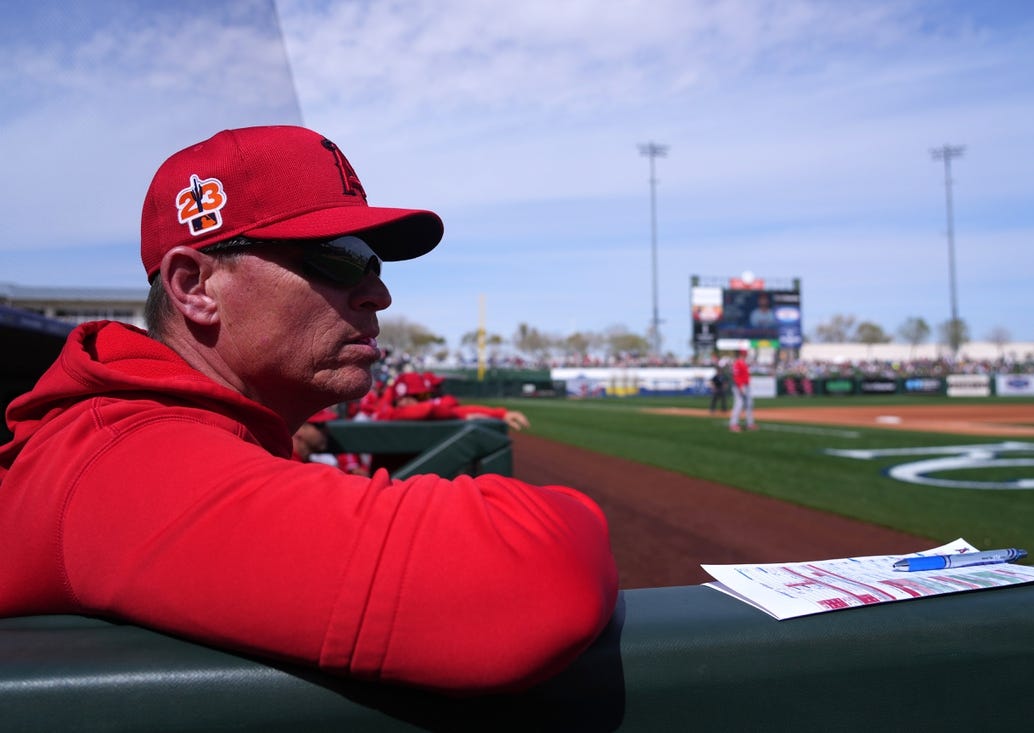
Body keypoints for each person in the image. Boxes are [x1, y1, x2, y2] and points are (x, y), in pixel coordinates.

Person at [0, 125, 617, 694]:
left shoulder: (146, 430)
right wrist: (583, 513)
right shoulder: (127, 461)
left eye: (372, 262)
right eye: (338, 255)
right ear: (195, 287)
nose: (378, 291)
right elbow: (533, 582)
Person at [374, 371, 531, 431]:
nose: (427, 399)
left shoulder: (398, 408)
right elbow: (429, 409)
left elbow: (456, 409)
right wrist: (458, 416)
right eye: (421, 396)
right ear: (404, 399)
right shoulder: (389, 412)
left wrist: (500, 414)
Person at [729, 348, 757, 432]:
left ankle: (750, 424)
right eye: (744, 354)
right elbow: (736, 376)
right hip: (740, 386)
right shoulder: (737, 363)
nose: (746, 355)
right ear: (741, 354)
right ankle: (733, 424)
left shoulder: (744, 363)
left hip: (746, 385)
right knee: (739, 404)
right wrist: (740, 386)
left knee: (749, 404)